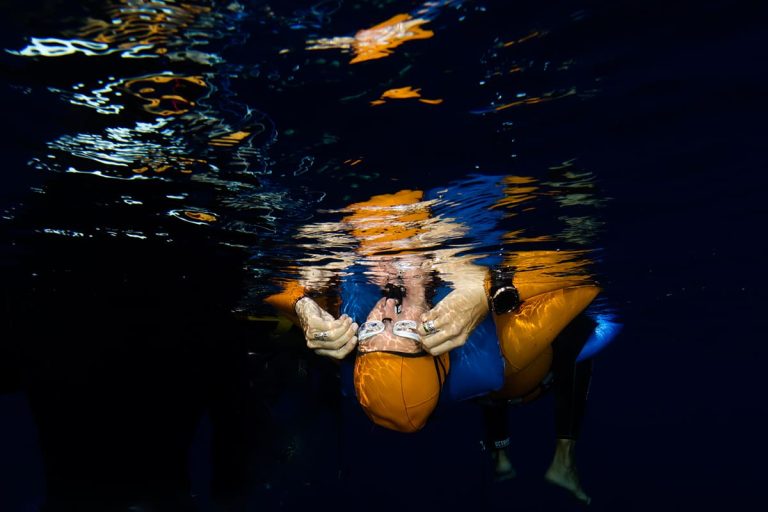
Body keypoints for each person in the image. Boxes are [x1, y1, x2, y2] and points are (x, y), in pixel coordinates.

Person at [263, 186, 606, 505]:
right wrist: (489, 290)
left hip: (462, 387)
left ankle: (500, 457)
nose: (386, 307)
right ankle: (561, 457)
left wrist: (302, 307)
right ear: (438, 345)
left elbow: (270, 289)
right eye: (408, 329)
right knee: (579, 338)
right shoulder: (510, 348)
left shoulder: (355, 333)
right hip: (529, 379)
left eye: (370, 331)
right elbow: (586, 278)